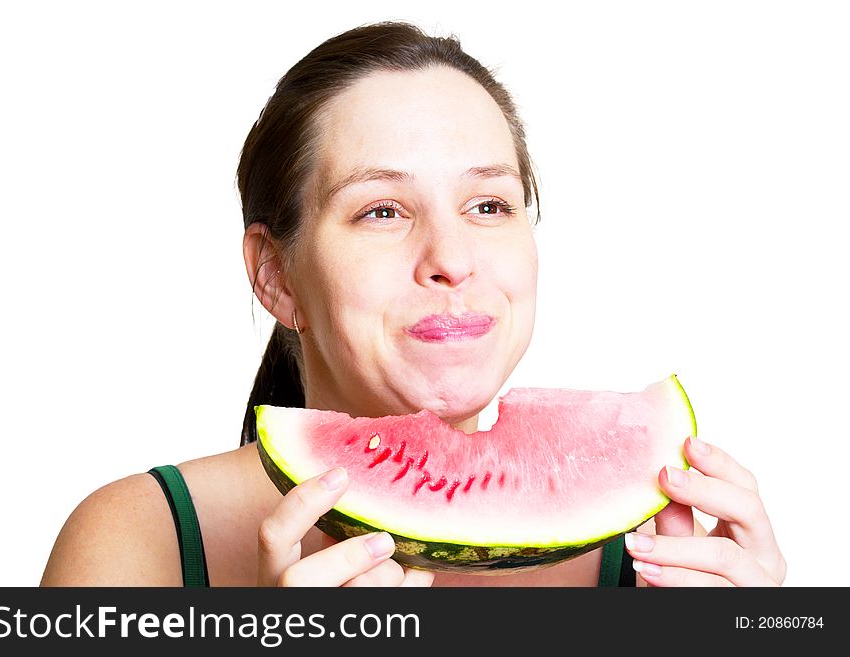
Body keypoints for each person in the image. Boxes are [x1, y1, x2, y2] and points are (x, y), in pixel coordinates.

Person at [40, 21, 785, 588]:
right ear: (276, 276)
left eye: (489, 205)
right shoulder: (138, 544)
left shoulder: (663, 548)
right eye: (383, 212)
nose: (452, 260)